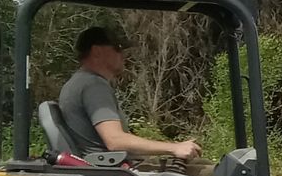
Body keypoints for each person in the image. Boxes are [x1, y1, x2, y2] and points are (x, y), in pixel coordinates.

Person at [57, 26, 202, 166]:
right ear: (97, 51)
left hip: (113, 165)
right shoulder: (94, 86)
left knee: (203, 165)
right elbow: (115, 141)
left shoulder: (77, 83)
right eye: (118, 48)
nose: (123, 54)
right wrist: (174, 148)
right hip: (116, 170)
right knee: (211, 174)